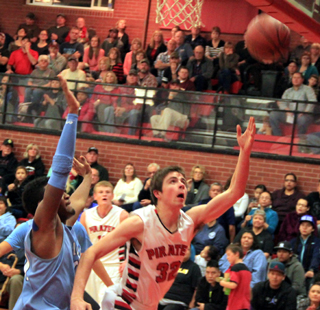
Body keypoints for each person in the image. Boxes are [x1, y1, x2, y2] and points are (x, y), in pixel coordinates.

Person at [70, 117, 256, 310]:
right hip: (125, 303)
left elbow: (235, 192)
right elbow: (90, 253)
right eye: (173, 181)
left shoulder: (190, 221)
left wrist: (244, 151)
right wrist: (76, 297)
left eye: (183, 180)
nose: (181, 183)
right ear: (157, 193)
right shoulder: (140, 222)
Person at [12, 75, 108, 310]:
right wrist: (73, 113)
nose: (65, 194)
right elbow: (61, 167)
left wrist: (87, 177)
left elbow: (77, 200)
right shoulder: (44, 227)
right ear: (45, 206)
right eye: (58, 194)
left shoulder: (65, 226)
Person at [80, 181, 128, 304]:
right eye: (101, 192)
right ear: (95, 196)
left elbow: (135, 241)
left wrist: (128, 260)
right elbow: (81, 242)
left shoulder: (122, 215)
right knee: (90, 303)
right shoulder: (86, 215)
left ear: (113, 196)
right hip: (92, 266)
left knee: (108, 303)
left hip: (114, 266)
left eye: (107, 192)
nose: (104, 195)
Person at [269, 72, 317, 136]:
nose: (295, 79)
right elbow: (282, 103)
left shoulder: (308, 89)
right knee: (273, 114)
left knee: (303, 119)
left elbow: (313, 101)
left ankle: (299, 139)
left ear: (302, 80)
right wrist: (287, 110)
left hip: (303, 114)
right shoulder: (288, 91)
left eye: (298, 78)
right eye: (294, 78)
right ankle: (278, 136)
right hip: (289, 114)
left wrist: (305, 112)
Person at [218, 244, 251, 310]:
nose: (227, 257)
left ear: (236, 254)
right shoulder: (247, 269)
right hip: (245, 303)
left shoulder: (235, 268)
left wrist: (222, 282)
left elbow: (233, 284)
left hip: (236, 304)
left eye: (228, 255)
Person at [290, 215, 320, 287]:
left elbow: (316, 257)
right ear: (299, 227)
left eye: (308, 225)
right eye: (302, 225)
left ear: (313, 229)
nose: (305, 227)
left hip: (309, 271)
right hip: (294, 271)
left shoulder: (317, 242)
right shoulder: (293, 242)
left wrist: (312, 269)